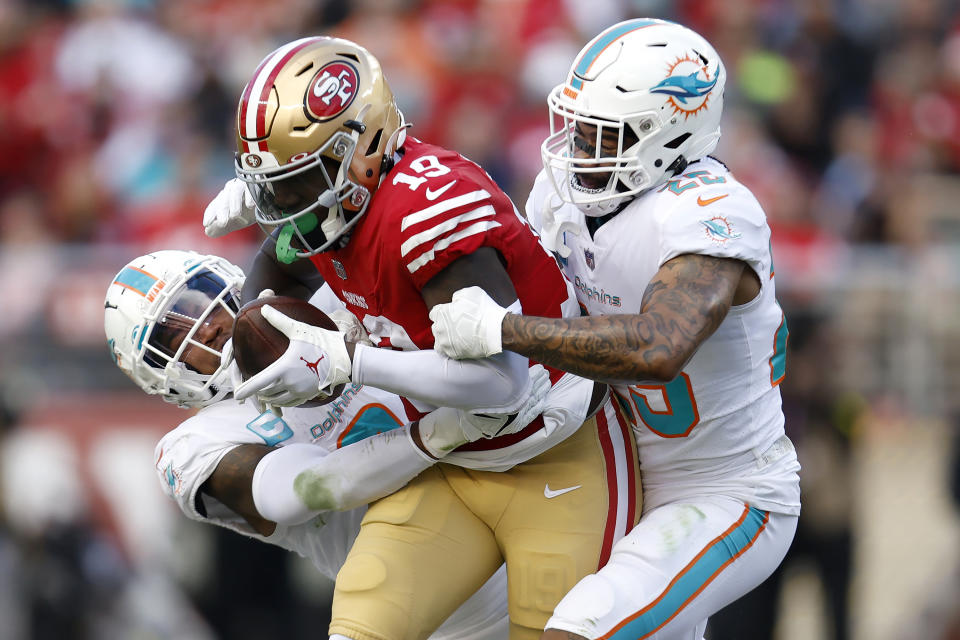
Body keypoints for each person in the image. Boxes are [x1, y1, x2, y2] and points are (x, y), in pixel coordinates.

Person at [202, 36, 641, 640]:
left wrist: (349, 361)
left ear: (363, 149)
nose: (284, 206)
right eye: (273, 187)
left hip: (555, 449)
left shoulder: (426, 209)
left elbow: (502, 383)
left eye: (296, 184)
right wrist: (259, 312)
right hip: (455, 463)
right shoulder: (341, 209)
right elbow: (282, 260)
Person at [428, 18, 802, 640]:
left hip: (724, 491)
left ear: (668, 135)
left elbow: (658, 346)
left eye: (601, 135)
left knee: (578, 629)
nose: (577, 150)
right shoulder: (566, 194)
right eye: (575, 128)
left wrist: (504, 328)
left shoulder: (708, 213)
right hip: (610, 476)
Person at [103, 248, 554, 639]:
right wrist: (442, 431)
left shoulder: (322, 304)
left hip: (526, 513)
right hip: (445, 618)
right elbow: (301, 490)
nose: (203, 325)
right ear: (155, 372)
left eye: (199, 298)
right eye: (172, 332)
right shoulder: (194, 444)